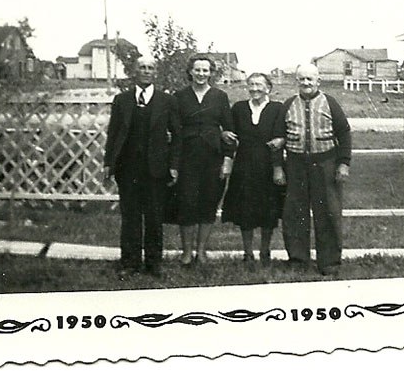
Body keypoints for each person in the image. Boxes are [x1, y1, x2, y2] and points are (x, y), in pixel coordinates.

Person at [104, 57, 180, 278]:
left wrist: (174, 165)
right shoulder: (122, 100)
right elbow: (113, 134)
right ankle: (129, 262)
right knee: (130, 217)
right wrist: (108, 163)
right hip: (127, 170)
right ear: (135, 72)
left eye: (150, 68)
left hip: (156, 169)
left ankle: (153, 264)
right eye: (142, 68)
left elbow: (177, 136)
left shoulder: (167, 101)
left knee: (155, 218)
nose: (146, 71)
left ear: (155, 72)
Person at [273, 63, 351, 276]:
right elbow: (278, 138)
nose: (306, 83)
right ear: (296, 81)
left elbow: (344, 133)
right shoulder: (288, 104)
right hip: (296, 165)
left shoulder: (330, 103)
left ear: (318, 80)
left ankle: (329, 262)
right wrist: (278, 167)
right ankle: (298, 260)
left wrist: (343, 163)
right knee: (295, 213)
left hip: (325, 164)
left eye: (310, 79)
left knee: (327, 212)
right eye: (302, 79)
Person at [173, 55, 234, 266]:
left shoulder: (220, 96)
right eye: (197, 70)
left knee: (208, 202)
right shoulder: (179, 96)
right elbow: (173, 129)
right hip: (186, 158)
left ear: (211, 73)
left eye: (205, 71)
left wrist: (227, 159)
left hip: (213, 158)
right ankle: (187, 252)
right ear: (190, 71)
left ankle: (201, 251)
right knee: (187, 203)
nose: (201, 74)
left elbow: (229, 131)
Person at [221, 73, 286, 266]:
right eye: (251, 84)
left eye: (259, 85)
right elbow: (230, 134)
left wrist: (277, 168)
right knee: (245, 210)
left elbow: (280, 138)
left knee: (269, 210)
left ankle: (265, 251)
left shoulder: (277, 108)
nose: (255, 88)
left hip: (268, 165)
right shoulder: (239, 108)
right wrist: (224, 135)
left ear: (268, 88)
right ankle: (247, 253)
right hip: (244, 165)